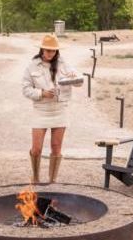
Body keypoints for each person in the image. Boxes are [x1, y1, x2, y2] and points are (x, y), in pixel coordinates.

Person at [22, 34, 82, 184]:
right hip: (40, 110)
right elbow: (25, 89)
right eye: (47, 50)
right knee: (36, 148)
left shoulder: (64, 64)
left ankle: (52, 180)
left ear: (57, 51)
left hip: (59, 109)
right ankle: (36, 178)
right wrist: (42, 93)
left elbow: (79, 82)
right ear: (42, 49)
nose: (50, 53)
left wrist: (73, 77)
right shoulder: (32, 66)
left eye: (53, 51)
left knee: (56, 147)